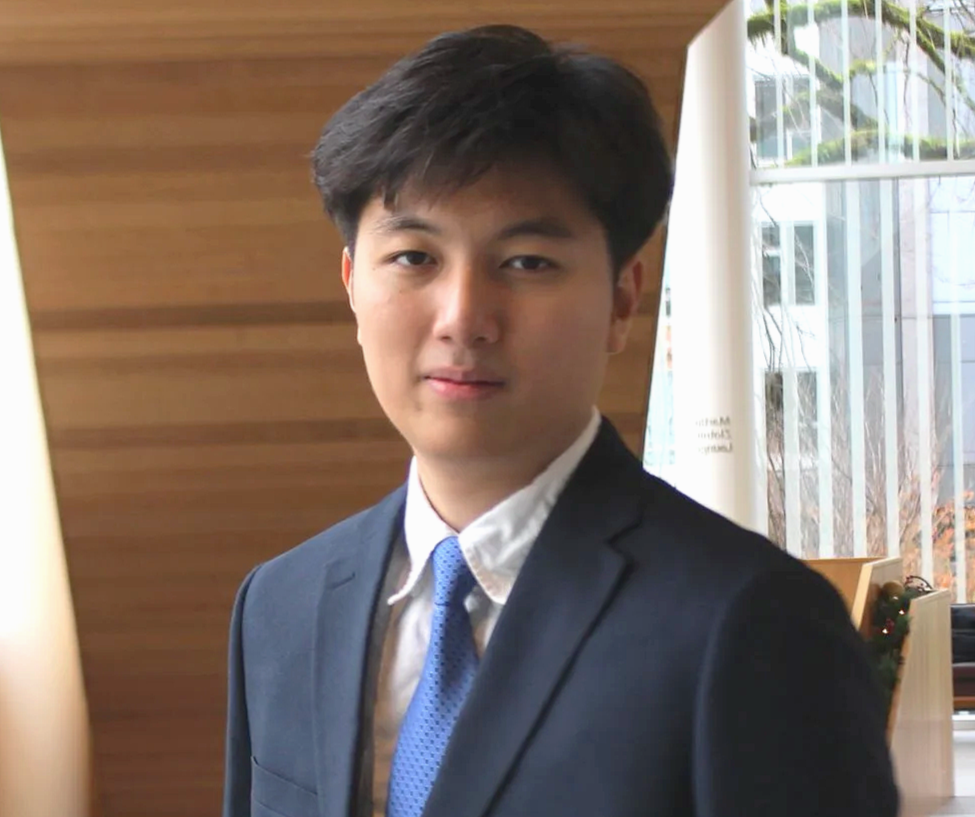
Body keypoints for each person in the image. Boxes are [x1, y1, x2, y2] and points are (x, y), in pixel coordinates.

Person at [222, 24, 898, 817]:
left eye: (527, 263)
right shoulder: (282, 604)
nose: (463, 317)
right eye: (414, 257)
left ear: (622, 298)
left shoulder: (750, 624)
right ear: (350, 282)